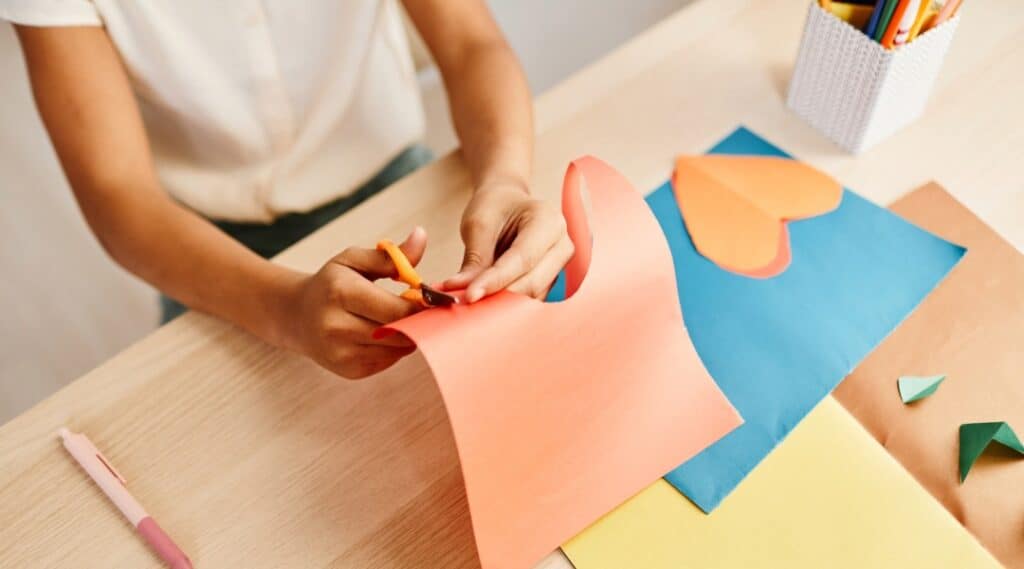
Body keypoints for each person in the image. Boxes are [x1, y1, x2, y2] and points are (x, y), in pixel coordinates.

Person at [2, 0, 573, 379]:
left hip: (398, 186)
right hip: (202, 247)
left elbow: (471, 43)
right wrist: (286, 312)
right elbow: (117, 194)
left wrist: (505, 178)